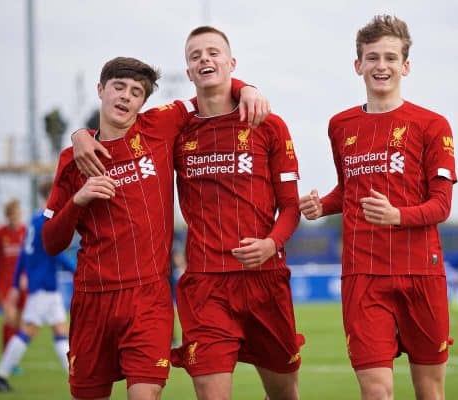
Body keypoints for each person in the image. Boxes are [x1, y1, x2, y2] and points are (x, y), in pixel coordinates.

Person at [43, 56, 265, 400]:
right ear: (101, 90)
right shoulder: (74, 160)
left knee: (145, 394)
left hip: (149, 298)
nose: (126, 97)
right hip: (92, 299)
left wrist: (245, 88)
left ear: (143, 103)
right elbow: (50, 242)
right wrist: (78, 199)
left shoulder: (158, 126)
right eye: (118, 87)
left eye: (136, 92)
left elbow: (209, 92)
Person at [299, 15, 456, 400]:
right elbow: (351, 190)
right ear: (358, 65)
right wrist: (324, 205)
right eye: (372, 58)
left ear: (405, 65)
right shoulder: (340, 125)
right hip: (363, 275)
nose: (380, 66)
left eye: (389, 57)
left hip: (421, 273)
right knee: (376, 391)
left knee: (430, 391)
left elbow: (442, 205)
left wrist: (398, 215)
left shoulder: (433, 125)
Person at [170, 26, 302, 400]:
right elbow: (127, 128)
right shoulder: (177, 129)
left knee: (284, 394)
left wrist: (271, 243)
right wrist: (82, 134)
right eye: (195, 56)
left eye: (213, 52)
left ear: (231, 63)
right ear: (189, 71)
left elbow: (291, 207)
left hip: (265, 279)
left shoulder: (269, 125)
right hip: (206, 284)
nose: (205, 59)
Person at [0, 180, 75, 392]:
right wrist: (80, 269)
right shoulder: (46, 220)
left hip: (44, 285)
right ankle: (0, 376)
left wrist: (15, 283)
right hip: (44, 286)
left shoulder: (35, 220)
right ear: (53, 195)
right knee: (29, 331)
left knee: (59, 331)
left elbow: (22, 256)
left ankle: (75, 379)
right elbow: (55, 252)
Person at [0, 200, 27, 351]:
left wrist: (27, 276)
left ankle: (11, 356)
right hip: (4, 284)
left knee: (19, 322)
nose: (17, 217)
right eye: (14, 215)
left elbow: (29, 258)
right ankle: (7, 354)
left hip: (21, 284)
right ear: (8, 216)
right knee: (9, 317)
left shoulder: (25, 231)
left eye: (19, 214)